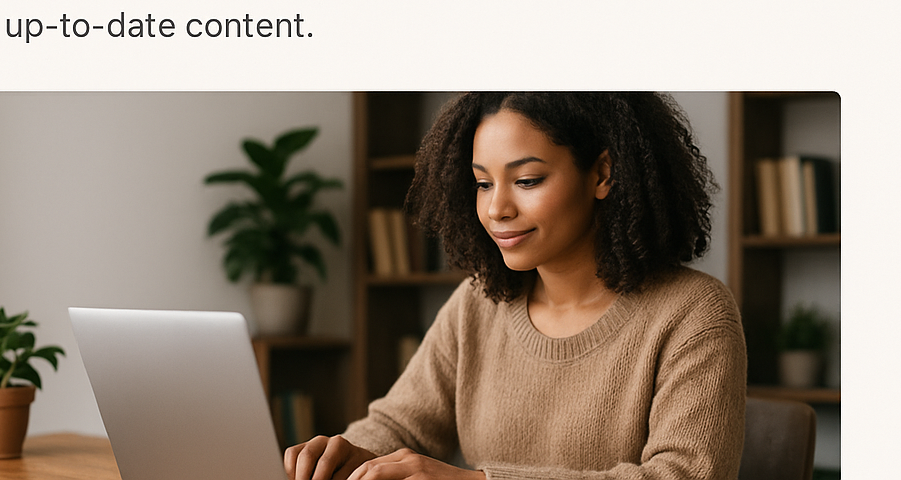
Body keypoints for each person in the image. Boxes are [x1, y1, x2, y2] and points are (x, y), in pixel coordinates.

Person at [285, 92, 747, 480]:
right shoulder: (479, 301)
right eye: (483, 184)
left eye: (527, 180)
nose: (496, 209)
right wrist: (349, 455)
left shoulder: (694, 312)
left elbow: (682, 475)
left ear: (602, 174)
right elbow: (400, 423)